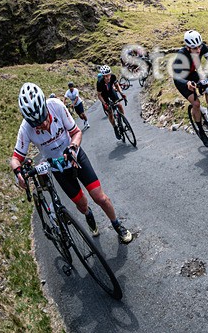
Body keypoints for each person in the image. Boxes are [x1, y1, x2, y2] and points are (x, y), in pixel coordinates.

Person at [10, 83, 133, 243]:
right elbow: (15, 158)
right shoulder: (26, 128)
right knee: (82, 206)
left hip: (75, 156)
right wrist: (18, 173)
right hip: (58, 168)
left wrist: (73, 147)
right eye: (37, 124)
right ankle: (89, 215)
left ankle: (117, 225)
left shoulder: (56, 106)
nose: (42, 124)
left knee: (100, 198)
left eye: (43, 118)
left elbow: (76, 132)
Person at [172, 30, 208, 146]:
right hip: (182, 79)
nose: (198, 50)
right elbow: (176, 76)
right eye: (194, 48)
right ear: (188, 48)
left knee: (206, 84)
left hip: (193, 74)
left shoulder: (203, 48)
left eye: (199, 46)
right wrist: (187, 83)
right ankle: (201, 131)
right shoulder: (181, 55)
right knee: (196, 104)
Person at [96, 65, 127, 140]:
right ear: (103, 76)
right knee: (110, 112)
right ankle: (115, 127)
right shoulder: (99, 82)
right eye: (105, 76)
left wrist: (122, 94)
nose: (108, 77)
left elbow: (117, 86)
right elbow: (99, 95)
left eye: (108, 75)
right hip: (104, 95)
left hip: (111, 91)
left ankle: (124, 119)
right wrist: (104, 104)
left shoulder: (113, 76)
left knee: (119, 105)